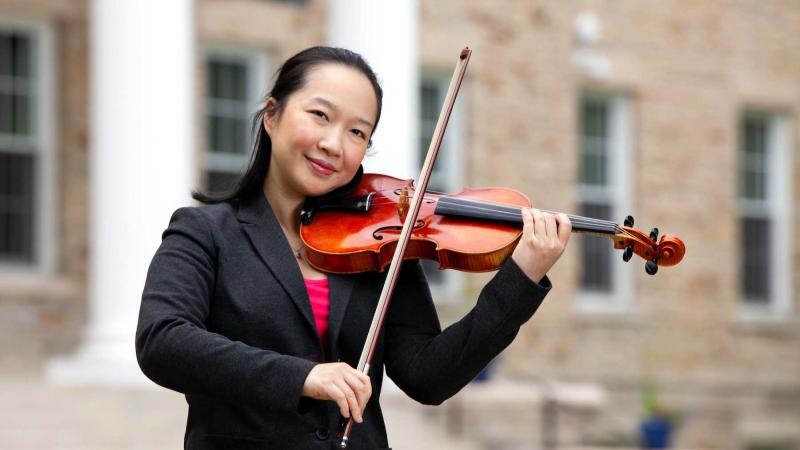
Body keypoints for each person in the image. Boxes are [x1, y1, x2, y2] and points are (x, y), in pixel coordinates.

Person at [136, 46, 571, 450]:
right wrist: (303, 376)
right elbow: (163, 340)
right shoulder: (205, 231)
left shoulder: (379, 243)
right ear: (272, 115)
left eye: (357, 132)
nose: (334, 144)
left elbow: (428, 376)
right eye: (320, 115)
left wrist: (521, 278)